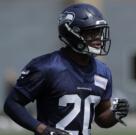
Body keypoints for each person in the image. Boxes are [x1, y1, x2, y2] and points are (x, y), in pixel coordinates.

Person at [4, 3, 129, 135]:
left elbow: (101, 117)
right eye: (91, 32)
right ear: (72, 34)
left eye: (98, 32)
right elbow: (12, 104)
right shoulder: (47, 66)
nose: (98, 38)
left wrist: (115, 114)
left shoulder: (103, 72)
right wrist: (43, 129)